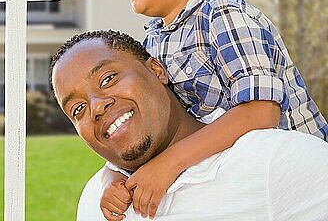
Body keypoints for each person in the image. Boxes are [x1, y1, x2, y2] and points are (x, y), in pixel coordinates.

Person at [91, 0, 328, 219]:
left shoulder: (222, 13)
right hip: (232, 182)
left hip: (291, 188)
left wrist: (169, 163)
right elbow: (154, 123)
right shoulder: (154, 40)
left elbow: (260, 113)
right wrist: (112, 177)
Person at [50, 30, 328, 221]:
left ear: (156, 70)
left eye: (108, 78)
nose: (96, 107)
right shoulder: (95, 201)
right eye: (78, 109)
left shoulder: (275, 162)